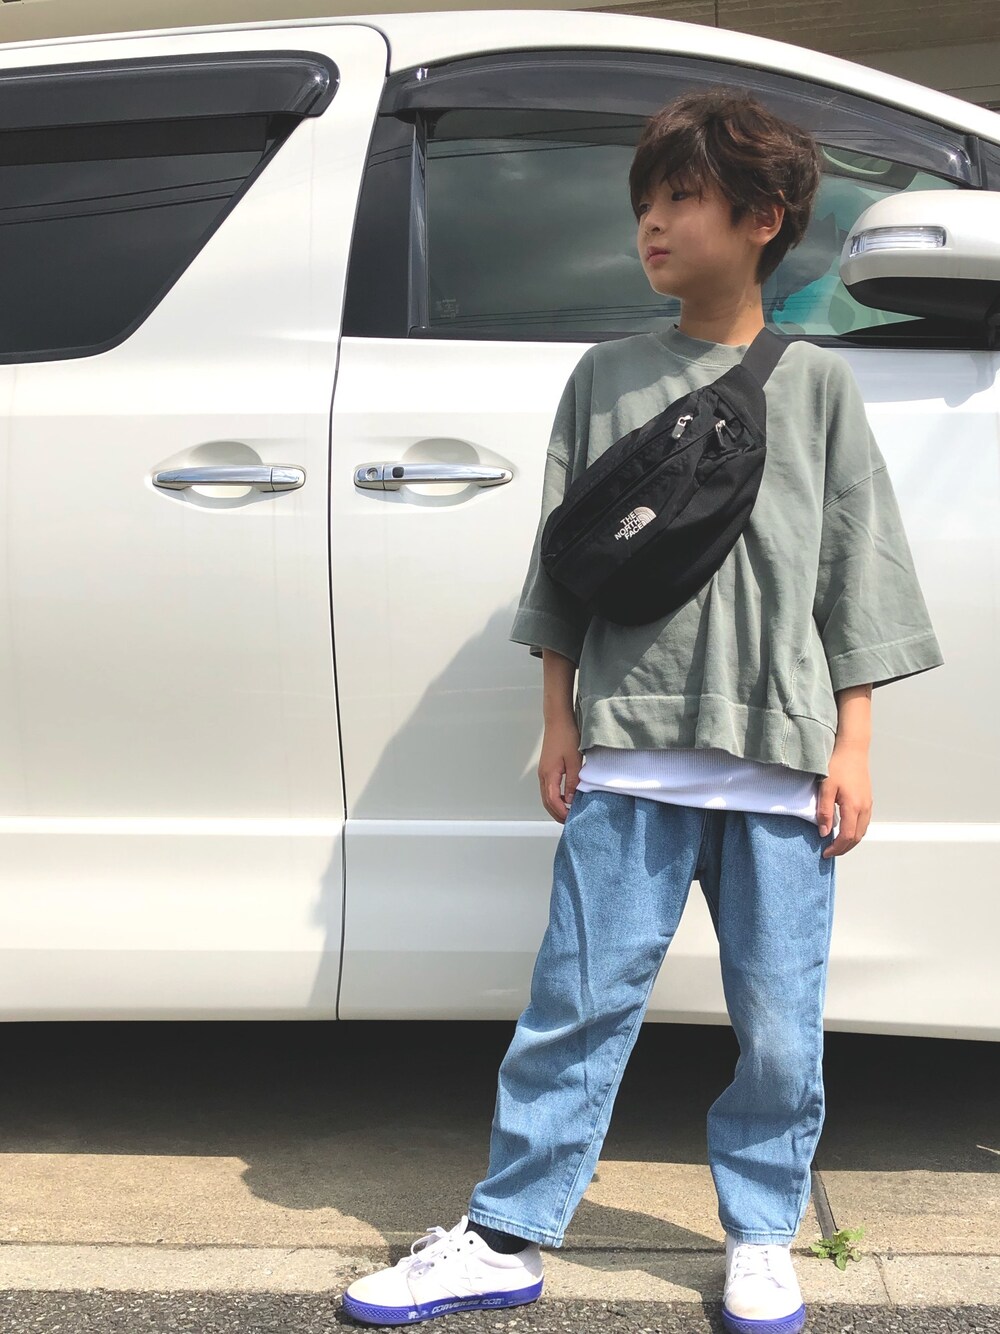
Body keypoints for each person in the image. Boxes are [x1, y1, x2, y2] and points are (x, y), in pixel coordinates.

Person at [341, 88, 944, 1333]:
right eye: (643, 204)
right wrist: (559, 717)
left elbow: (857, 567)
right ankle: (506, 1232)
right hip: (628, 754)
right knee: (576, 1003)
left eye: (680, 198)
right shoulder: (604, 376)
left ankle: (763, 1233)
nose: (651, 225)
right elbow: (564, 561)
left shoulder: (818, 387)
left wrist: (854, 744)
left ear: (763, 218)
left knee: (779, 1026)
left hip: (780, 763)